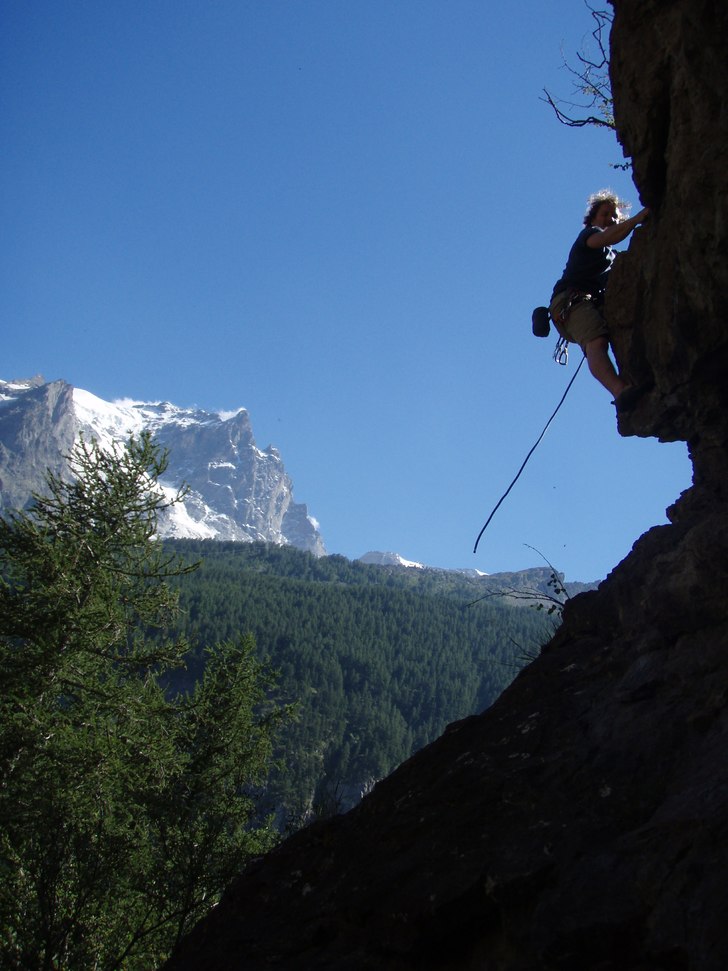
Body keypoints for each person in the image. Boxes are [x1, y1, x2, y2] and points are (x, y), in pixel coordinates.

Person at [549, 190, 649, 407]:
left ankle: (629, 386)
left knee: (601, 338)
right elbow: (607, 237)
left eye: (614, 216)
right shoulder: (590, 235)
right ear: (593, 218)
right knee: (596, 341)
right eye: (605, 213)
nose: (611, 219)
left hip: (583, 303)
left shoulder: (611, 257)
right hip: (569, 301)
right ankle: (620, 391)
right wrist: (636, 220)